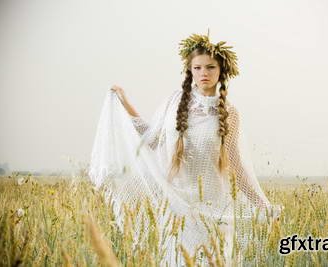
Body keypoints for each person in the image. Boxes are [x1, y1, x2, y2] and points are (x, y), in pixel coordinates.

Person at [89, 32, 283, 266]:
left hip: (214, 210)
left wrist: (262, 204)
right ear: (190, 71)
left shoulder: (229, 113)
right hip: (178, 209)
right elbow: (151, 140)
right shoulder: (174, 103)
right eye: (198, 68)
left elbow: (236, 165)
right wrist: (125, 102)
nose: (204, 73)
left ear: (221, 71)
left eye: (210, 67)